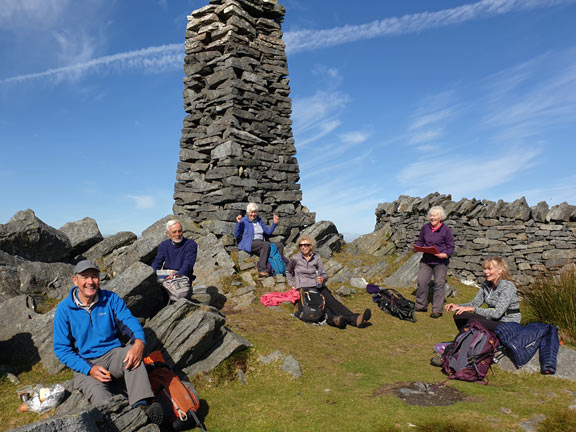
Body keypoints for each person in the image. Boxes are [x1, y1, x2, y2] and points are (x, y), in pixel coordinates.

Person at [53, 260, 163, 424]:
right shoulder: (64, 309)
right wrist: (89, 369)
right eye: (85, 277)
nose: (90, 282)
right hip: (85, 363)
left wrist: (139, 343)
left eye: (94, 276)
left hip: (113, 355)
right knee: (99, 394)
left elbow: (130, 322)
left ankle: (142, 408)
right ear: (75, 280)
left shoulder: (111, 299)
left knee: (132, 356)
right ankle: (122, 421)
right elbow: (62, 349)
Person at [287, 236, 371, 329]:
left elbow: (324, 273)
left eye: (306, 244)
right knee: (320, 305)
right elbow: (288, 271)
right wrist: (292, 285)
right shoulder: (295, 258)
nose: (303, 247)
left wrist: (323, 279)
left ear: (311, 246)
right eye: (301, 245)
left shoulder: (316, 257)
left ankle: (356, 319)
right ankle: (336, 320)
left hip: (318, 285)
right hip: (305, 288)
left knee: (333, 302)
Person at [445, 256, 521, 331]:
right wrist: (458, 306)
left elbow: (497, 313)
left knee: (473, 323)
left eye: (489, 269)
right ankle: (466, 339)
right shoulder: (486, 285)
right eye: (485, 269)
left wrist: (473, 309)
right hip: (493, 319)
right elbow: (474, 304)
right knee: (459, 315)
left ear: (499, 270)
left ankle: (466, 341)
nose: (486, 272)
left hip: (508, 322)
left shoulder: (507, 287)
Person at [414, 205, 455, 318]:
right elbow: (420, 241)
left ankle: (437, 310)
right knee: (421, 281)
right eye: (431, 215)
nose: (432, 217)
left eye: (435, 215)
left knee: (439, 284)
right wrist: (417, 248)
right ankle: (421, 305)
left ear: (440, 217)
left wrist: (445, 254)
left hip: (440, 262)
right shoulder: (425, 228)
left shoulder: (446, 230)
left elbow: (451, 246)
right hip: (426, 260)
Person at [234, 202, 284, 277]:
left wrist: (274, 223)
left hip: (261, 243)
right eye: (251, 212)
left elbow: (268, 231)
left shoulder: (259, 220)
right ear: (248, 212)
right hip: (250, 243)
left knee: (279, 246)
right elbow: (236, 235)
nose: (253, 214)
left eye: (255, 212)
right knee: (266, 244)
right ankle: (262, 270)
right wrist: (238, 223)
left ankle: (279, 267)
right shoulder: (243, 221)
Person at [152, 219, 198, 284]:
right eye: (174, 232)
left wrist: (177, 275)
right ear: (168, 234)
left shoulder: (191, 244)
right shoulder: (163, 245)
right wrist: (152, 274)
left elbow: (188, 263)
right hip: (167, 274)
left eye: (180, 231)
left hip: (183, 276)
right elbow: (158, 261)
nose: (178, 234)